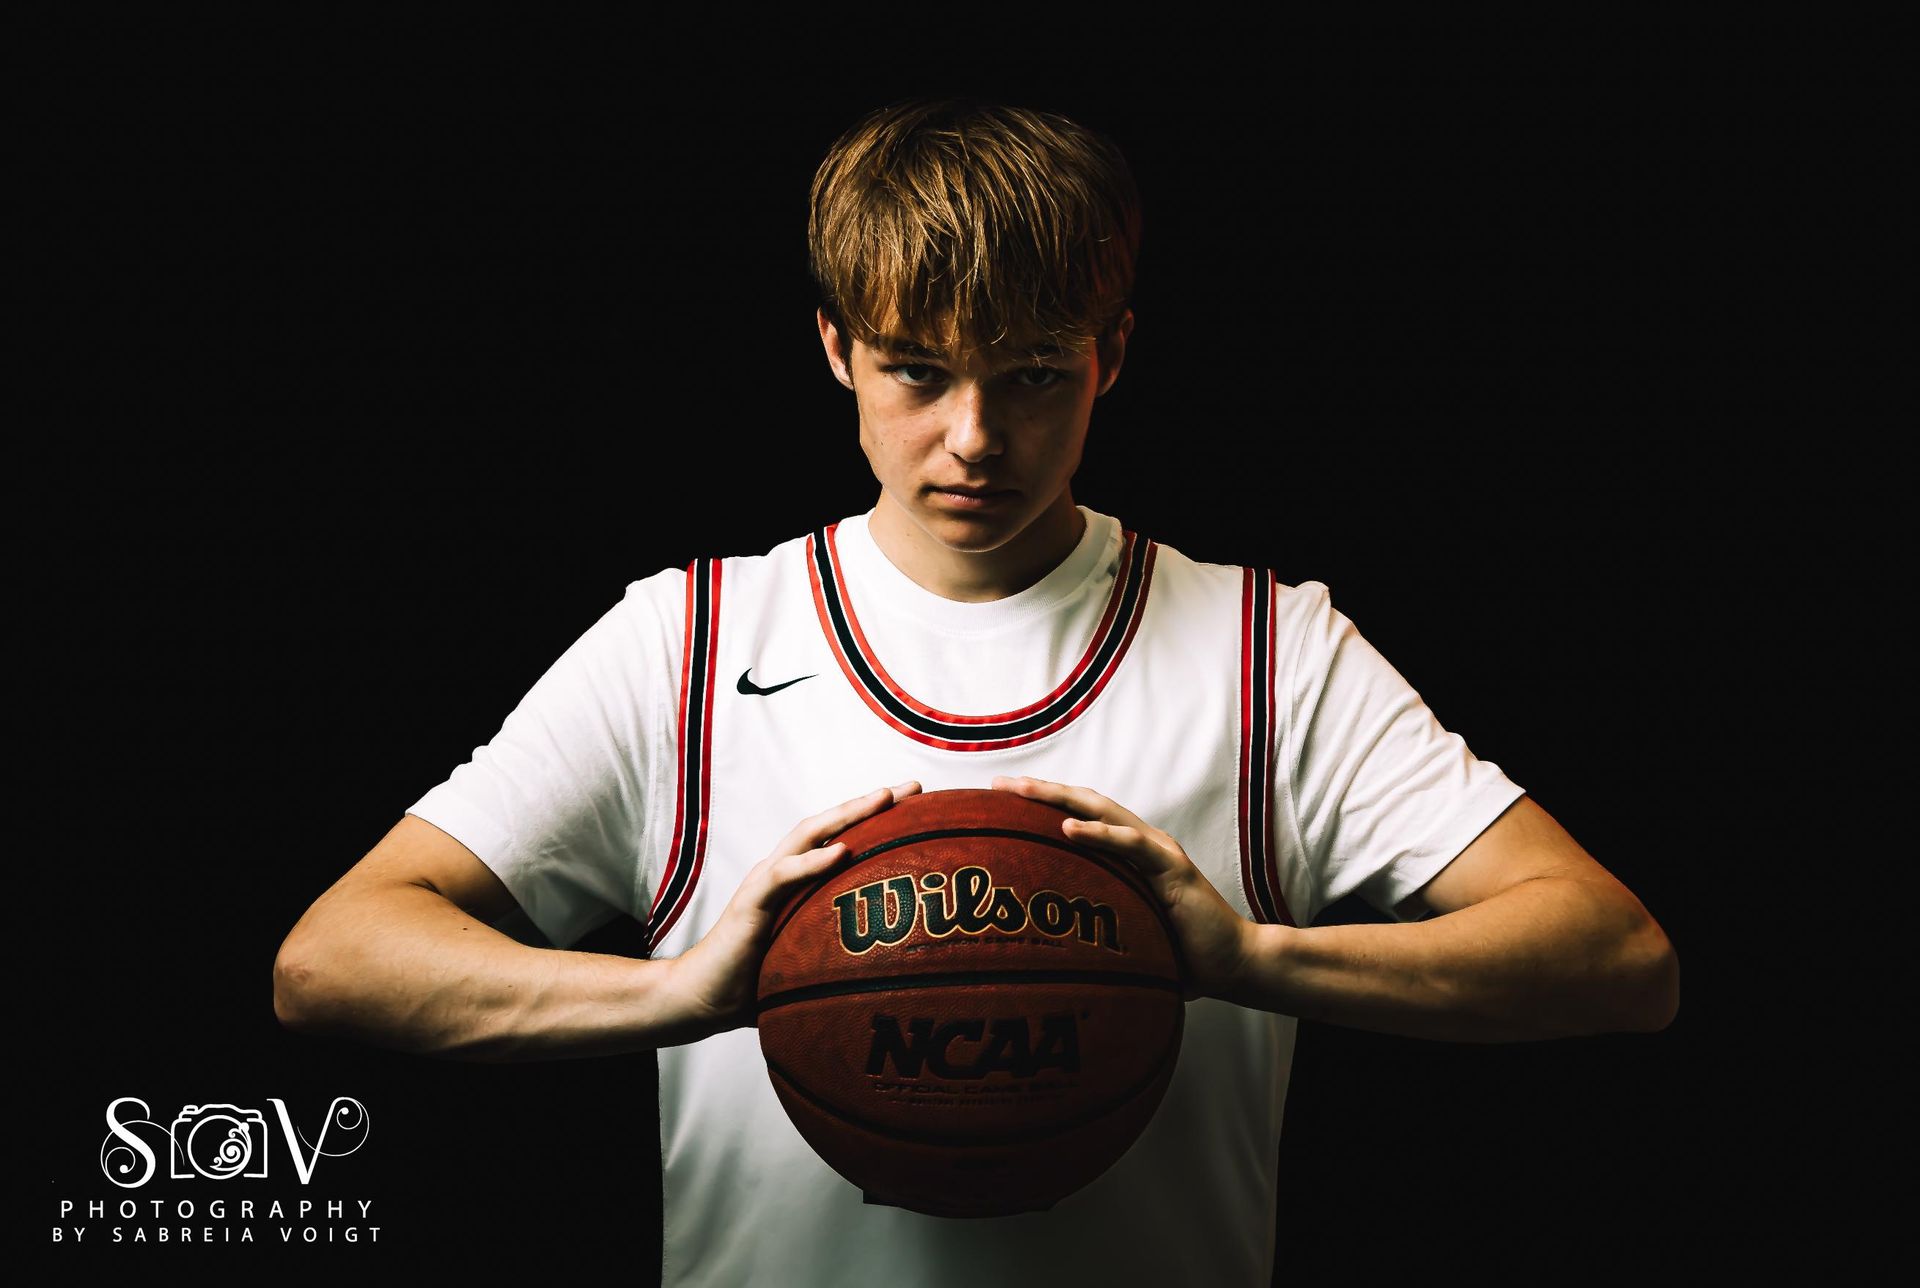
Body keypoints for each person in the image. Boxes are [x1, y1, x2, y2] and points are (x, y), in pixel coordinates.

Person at [272, 97, 1678, 1286]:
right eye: (917, 372)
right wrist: (687, 993)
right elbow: (333, 959)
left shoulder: (1268, 647)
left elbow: (1620, 962)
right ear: (836, 348)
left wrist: (1249, 964)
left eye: (1032, 376)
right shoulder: (689, 640)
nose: (976, 439)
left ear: (1111, 355)